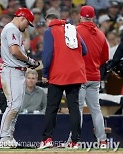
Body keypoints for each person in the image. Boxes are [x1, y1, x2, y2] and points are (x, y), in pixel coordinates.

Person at [38, 13, 87, 149]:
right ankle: (75, 142)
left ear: (49, 21)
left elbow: (47, 55)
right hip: (76, 73)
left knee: (52, 107)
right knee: (74, 107)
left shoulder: (50, 31)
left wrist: (45, 73)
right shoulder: (72, 28)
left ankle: (47, 139)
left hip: (57, 74)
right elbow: (85, 50)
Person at [66, 5, 109, 148]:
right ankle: (102, 141)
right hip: (95, 76)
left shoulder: (75, 31)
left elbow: (69, 53)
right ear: (93, 17)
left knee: (77, 109)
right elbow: (105, 58)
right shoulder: (101, 34)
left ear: (80, 16)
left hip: (79, 76)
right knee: (96, 110)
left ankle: (74, 141)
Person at [0, 8, 40, 148]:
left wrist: (27, 62)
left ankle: (9, 137)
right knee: (13, 106)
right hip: (11, 71)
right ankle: (4, 137)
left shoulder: (14, 30)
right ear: (22, 18)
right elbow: (15, 51)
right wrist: (29, 61)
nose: (27, 26)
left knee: (17, 107)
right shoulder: (11, 28)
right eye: (27, 23)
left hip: (17, 71)